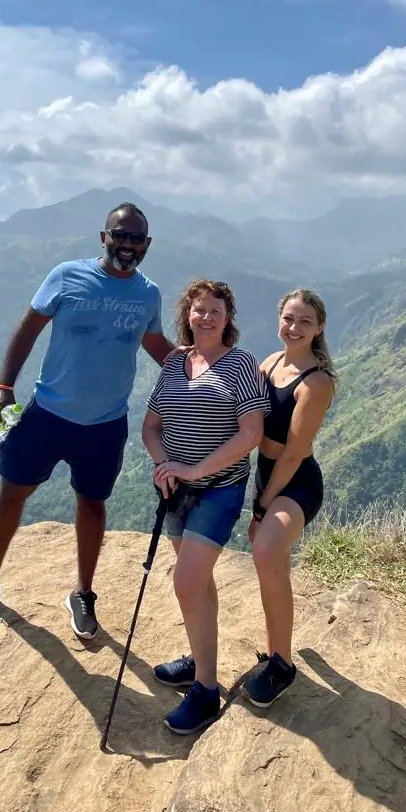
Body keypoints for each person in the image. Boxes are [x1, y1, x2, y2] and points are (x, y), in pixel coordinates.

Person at [0, 202, 177, 640]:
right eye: (119, 235)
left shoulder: (148, 293)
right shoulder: (67, 275)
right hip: (47, 414)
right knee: (12, 493)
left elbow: (154, 343)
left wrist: (205, 374)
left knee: (92, 503)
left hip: (106, 424)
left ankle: (83, 593)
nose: (126, 245)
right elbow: (27, 329)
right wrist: (4, 387)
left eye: (135, 238)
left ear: (147, 244)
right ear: (103, 236)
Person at [142, 279, 269, 734]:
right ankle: (201, 658)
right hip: (175, 490)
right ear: (188, 316)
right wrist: (165, 465)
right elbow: (151, 425)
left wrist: (194, 471)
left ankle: (207, 692)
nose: (207, 318)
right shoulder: (176, 363)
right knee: (197, 586)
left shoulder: (240, 365)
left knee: (186, 583)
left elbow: (249, 434)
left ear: (228, 318)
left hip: (217, 490)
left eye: (216, 311)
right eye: (200, 311)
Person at [240, 288, 337, 708]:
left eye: (304, 322)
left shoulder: (316, 382)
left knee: (265, 552)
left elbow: (295, 451)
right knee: (270, 561)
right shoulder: (270, 363)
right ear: (279, 318)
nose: (294, 328)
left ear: (319, 329)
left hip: (296, 481)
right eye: (289, 319)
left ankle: (281, 665)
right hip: (268, 476)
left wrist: (261, 505)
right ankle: (275, 646)